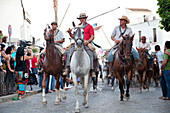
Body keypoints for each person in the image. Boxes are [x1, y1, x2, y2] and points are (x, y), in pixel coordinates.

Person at [64, 13, 97, 85]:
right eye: (81, 19)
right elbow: (73, 36)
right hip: (77, 42)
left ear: (85, 19)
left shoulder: (89, 26)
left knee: (92, 53)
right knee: (68, 51)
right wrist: (70, 33)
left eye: (83, 18)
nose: (82, 20)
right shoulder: (77, 27)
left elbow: (92, 36)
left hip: (86, 43)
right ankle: (68, 67)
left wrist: (87, 41)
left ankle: (92, 69)